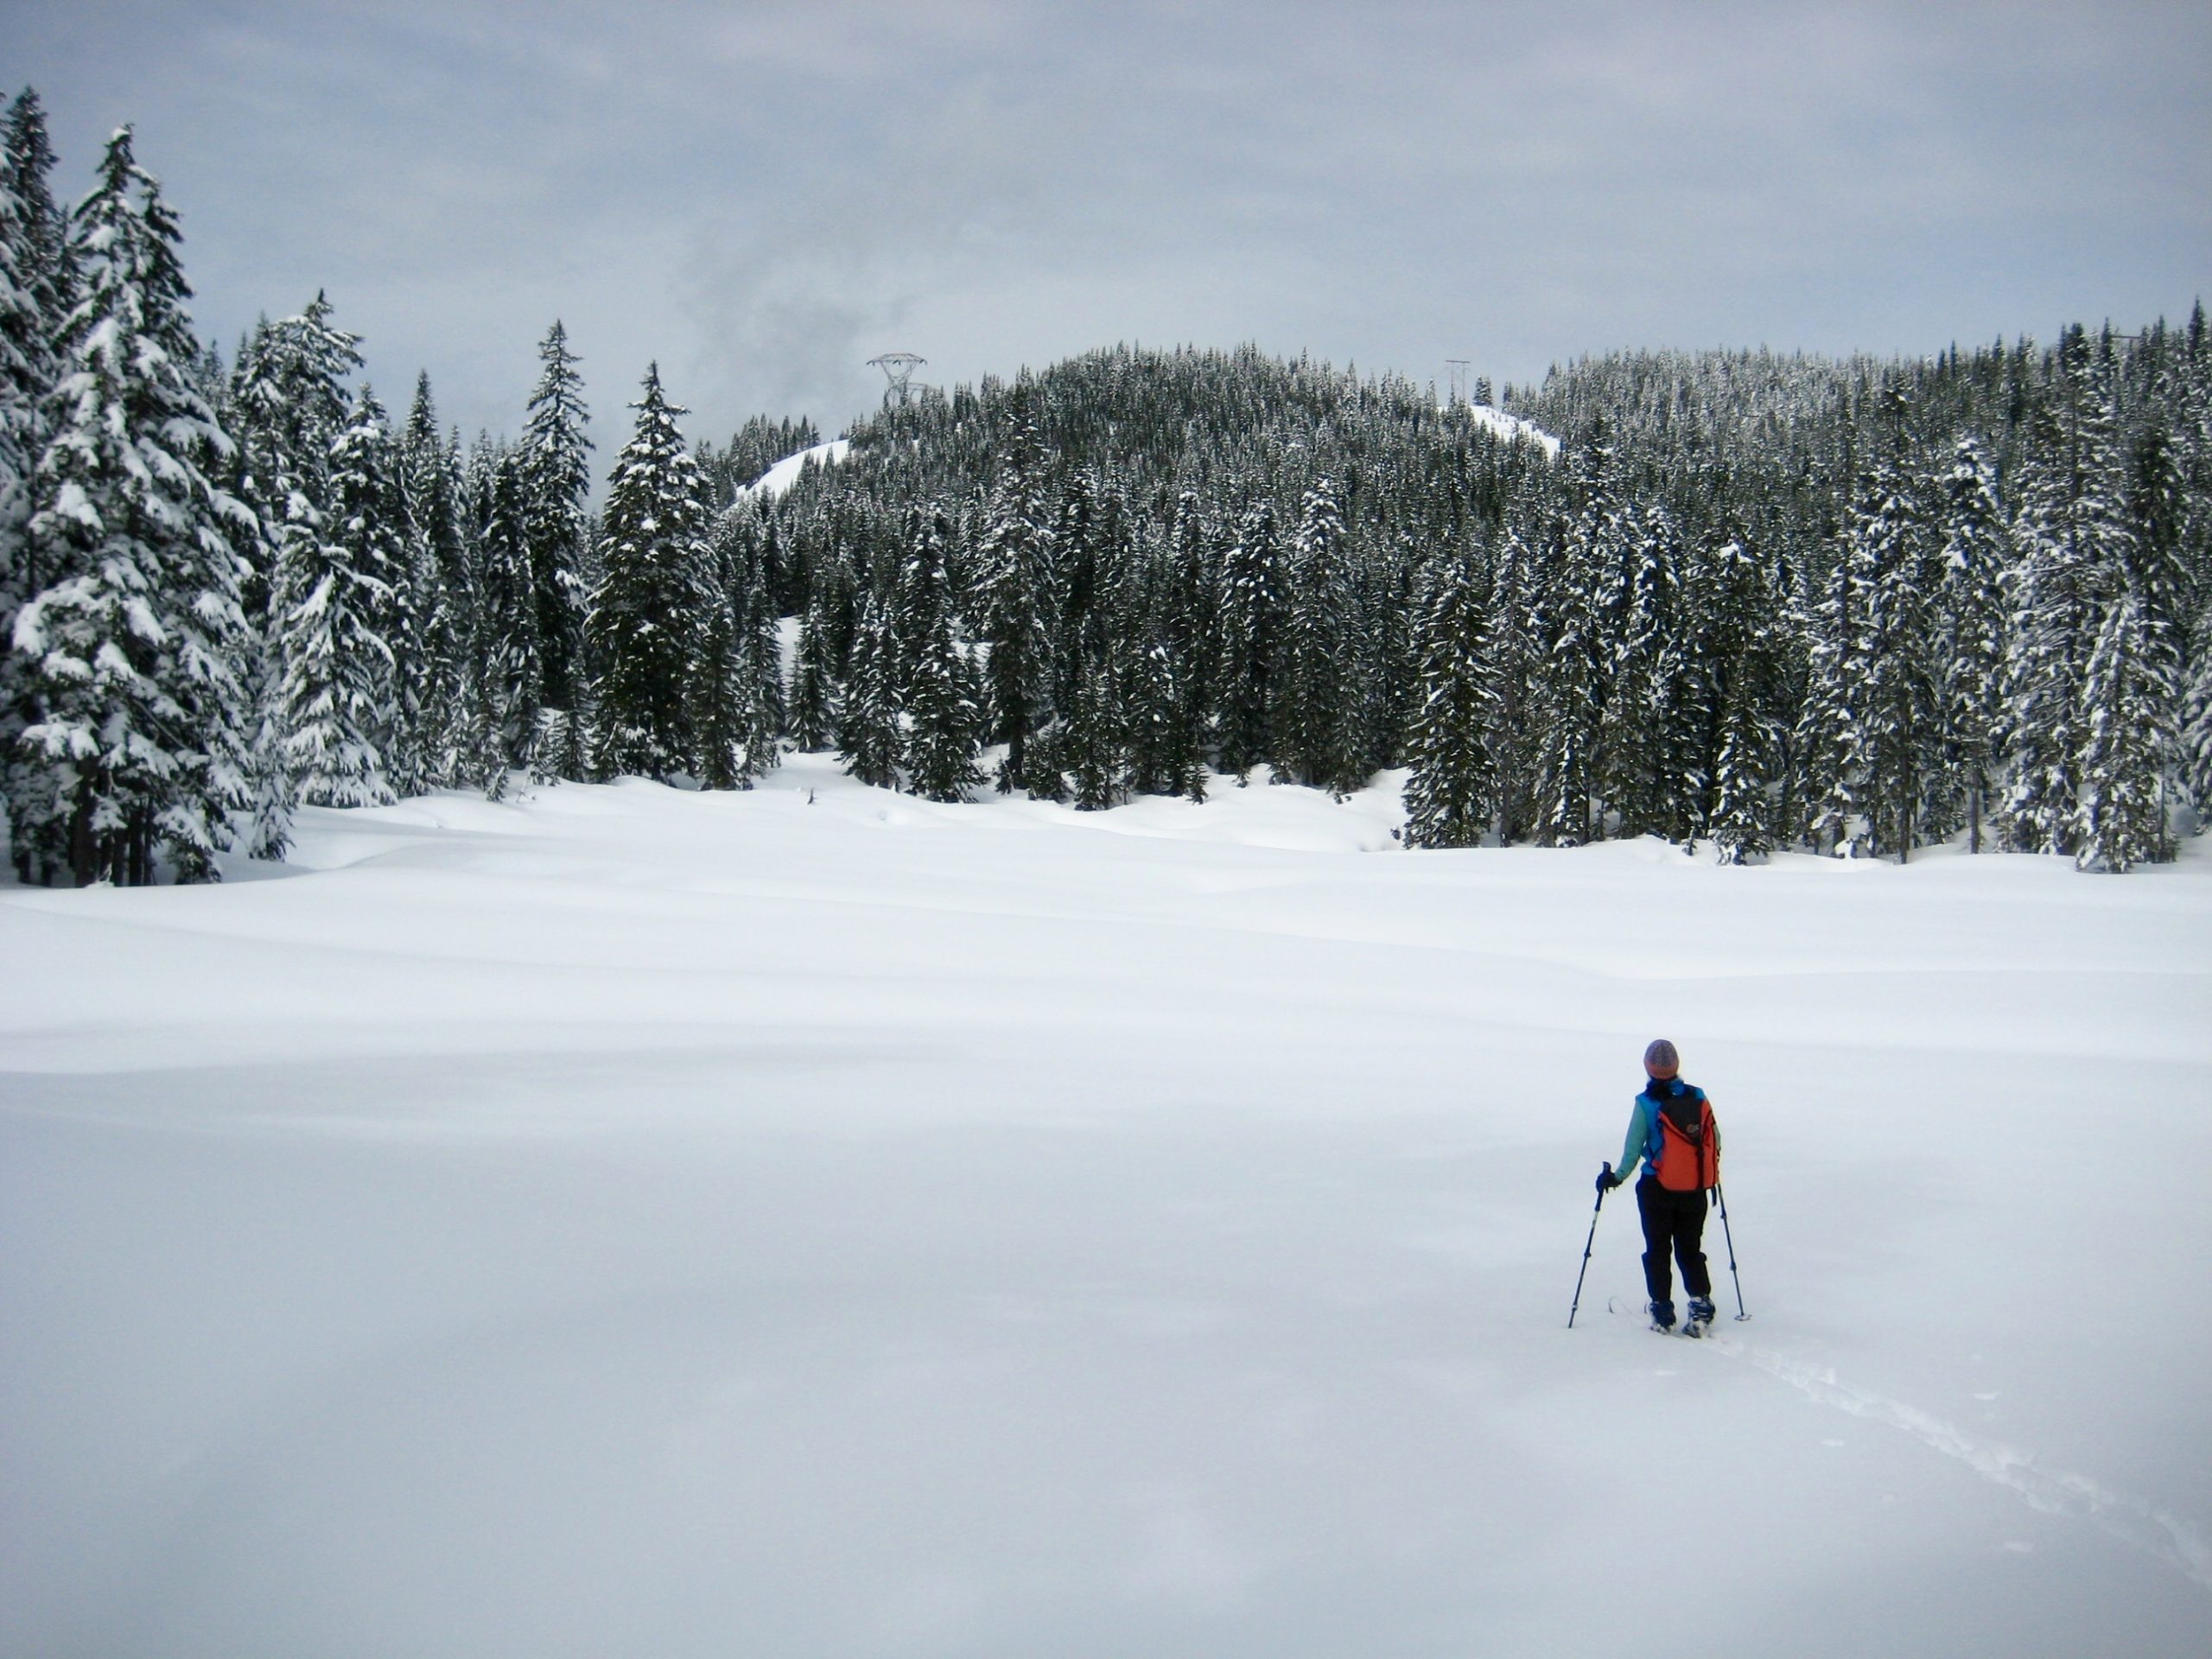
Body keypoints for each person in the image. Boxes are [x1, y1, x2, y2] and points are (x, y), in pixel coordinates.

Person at [1596, 1039, 1720, 1334]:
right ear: (1676, 1066)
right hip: (1694, 1188)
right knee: (1690, 1248)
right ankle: (1700, 1305)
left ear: (1648, 1068)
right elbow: (1713, 1138)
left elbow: (1633, 1148)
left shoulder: (1646, 1103)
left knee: (1658, 1249)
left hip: (1657, 1189)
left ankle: (1663, 1312)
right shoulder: (1698, 1097)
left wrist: (1616, 1177)